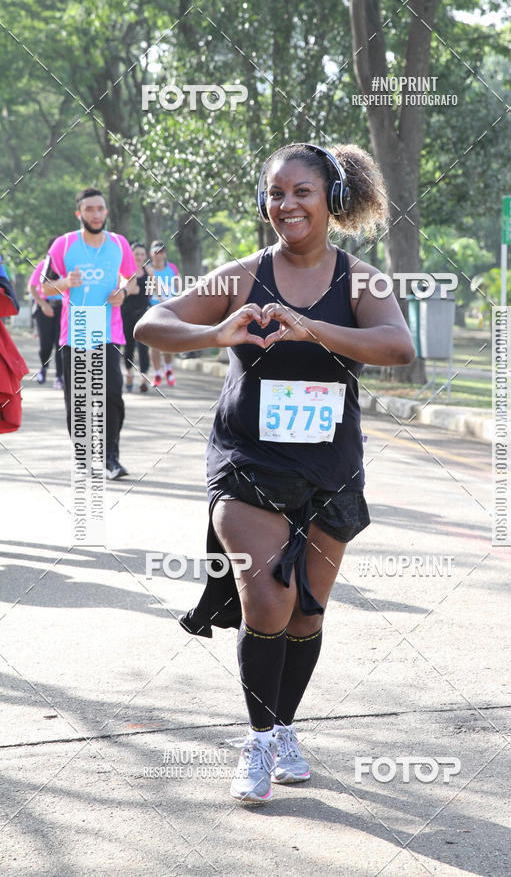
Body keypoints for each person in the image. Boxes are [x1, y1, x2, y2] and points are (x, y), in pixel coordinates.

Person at [135, 142, 415, 803]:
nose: (285, 204)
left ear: (328, 200)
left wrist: (314, 329)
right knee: (268, 597)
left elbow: (398, 347)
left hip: (329, 468)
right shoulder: (242, 275)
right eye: (275, 193)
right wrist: (217, 333)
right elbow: (153, 322)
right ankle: (258, 742)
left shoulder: (361, 281)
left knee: (306, 615)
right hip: (247, 463)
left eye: (300, 193)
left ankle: (285, 726)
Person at [42, 186, 137, 479]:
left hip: (109, 331)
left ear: (106, 212)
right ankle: (82, 459)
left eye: (100, 209)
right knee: (78, 398)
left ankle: (110, 458)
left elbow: (132, 280)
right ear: (79, 213)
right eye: (89, 209)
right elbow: (44, 287)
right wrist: (66, 283)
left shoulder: (119, 244)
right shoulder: (63, 244)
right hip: (76, 330)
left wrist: (123, 290)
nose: (95, 214)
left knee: (112, 394)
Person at [29, 238, 64, 388]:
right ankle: (44, 367)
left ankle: (59, 376)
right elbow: (32, 288)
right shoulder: (43, 266)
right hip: (45, 309)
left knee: (60, 344)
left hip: (62, 309)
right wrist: (43, 305)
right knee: (46, 344)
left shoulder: (67, 267)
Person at [122, 242, 153, 393]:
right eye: (137, 254)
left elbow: (154, 290)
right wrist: (138, 289)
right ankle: (129, 372)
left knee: (143, 345)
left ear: (145, 256)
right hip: (126, 312)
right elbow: (129, 290)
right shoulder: (125, 272)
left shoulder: (149, 272)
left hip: (143, 312)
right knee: (129, 345)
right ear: (131, 255)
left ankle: (144, 377)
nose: (139, 257)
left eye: (142, 254)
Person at [148, 240, 180, 387]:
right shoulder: (148, 270)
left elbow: (179, 288)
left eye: (161, 252)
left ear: (164, 254)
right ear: (151, 253)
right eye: (155, 252)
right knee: (153, 343)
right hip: (153, 309)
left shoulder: (172, 268)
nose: (158, 255)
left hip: (170, 309)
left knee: (169, 342)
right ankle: (157, 374)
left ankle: (168, 369)